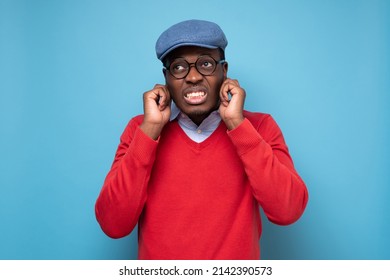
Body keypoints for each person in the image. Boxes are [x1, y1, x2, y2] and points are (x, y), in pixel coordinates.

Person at [95, 19, 308, 260]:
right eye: (179, 67)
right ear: (166, 78)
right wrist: (151, 130)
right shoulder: (140, 130)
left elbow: (288, 211)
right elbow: (113, 224)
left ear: (224, 71)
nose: (193, 77)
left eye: (206, 64)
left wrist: (238, 126)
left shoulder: (259, 127)